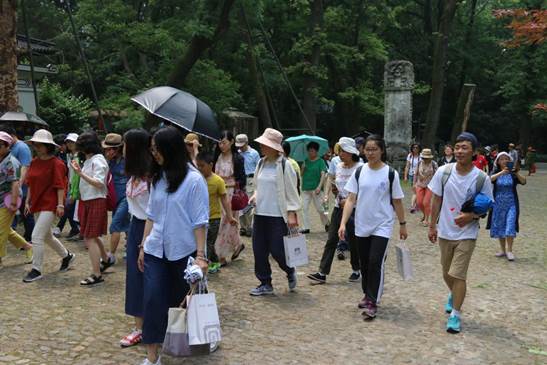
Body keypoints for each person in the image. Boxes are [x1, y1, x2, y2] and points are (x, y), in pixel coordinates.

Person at [137, 126, 209, 365]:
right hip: (155, 249)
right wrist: (142, 245)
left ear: (170, 149)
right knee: (152, 298)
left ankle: (184, 341)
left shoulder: (194, 180)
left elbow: (200, 221)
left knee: (178, 302)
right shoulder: (158, 177)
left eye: (157, 149)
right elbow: (151, 215)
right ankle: (152, 356)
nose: (154, 154)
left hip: (183, 251)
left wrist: (201, 256)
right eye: (152, 150)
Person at [428, 132, 493, 334]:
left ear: (473, 151)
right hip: (446, 231)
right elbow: (436, 199)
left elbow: (488, 206)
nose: (459, 151)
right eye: (457, 147)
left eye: (464, 147)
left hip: (467, 233)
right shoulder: (443, 172)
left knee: (458, 274)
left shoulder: (482, 178)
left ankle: (456, 314)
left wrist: (471, 217)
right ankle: (453, 294)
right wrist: (432, 225)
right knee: (447, 273)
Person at [338, 135, 407, 319]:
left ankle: (373, 301)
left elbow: (397, 201)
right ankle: (367, 294)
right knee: (364, 263)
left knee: (376, 262)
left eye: (374, 149)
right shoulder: (359, 172)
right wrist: (343, 223)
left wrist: (402, 224)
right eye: (367, 149)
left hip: (382, 225)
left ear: (382, 151)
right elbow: (351, 199)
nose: (370, 153)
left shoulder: (391, 173)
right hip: (362, 224)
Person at [248, 128, 300, 296]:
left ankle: (289, 269)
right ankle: (265, 282)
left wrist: (292, 213)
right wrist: (255, 196)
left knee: (277, 250)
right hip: (260, 213)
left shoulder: (285, 165)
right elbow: (257, 186)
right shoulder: (261, 163)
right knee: (259, 249)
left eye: (265, 144)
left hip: (278, 216)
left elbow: (292, 191)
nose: (262, 146)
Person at [308, 137, 363, 285]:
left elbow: (365, 190)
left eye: (344, 151)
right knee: (332, 238)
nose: (340, 153)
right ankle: (322, 272)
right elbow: (331, 179)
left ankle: (357, 269)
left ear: (351, 153)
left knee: (353, 240)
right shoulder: (336, 164)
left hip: (356, 209)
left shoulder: (360, 167)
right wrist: (329, 193)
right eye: (339, 150)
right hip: (339, 208)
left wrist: (353, 200)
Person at [22, 129, 75, 283]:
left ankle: (36, 269)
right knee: (47, 236)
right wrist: (27, 201)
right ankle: (67, 256)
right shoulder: (34, 162)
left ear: (48, 146)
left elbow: (60, 186)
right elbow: (30, 183)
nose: (36, 147)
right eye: (35, 144)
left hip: (51, 203)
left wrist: (60, 204)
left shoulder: (57, 164)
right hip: (37, 202)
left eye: (40, 144)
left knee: (36, 236)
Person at [120, 129, 153, 348]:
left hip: (151, 229)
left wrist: (145, 241)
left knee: (152, 279)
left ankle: (155, 324)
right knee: (134, 278)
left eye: (124, 144)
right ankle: (139, 327)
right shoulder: (133, 175)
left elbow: (154, 211)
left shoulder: (152, 177)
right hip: (136, 227)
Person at [72, 131, 110, 286]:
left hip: (96, 200)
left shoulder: (98, 160)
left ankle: (96, 273)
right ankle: (106, 259)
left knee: (89, 238)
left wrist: (80, 174)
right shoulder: (89, 160)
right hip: (88, 200)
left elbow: (100, 183)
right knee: (92, 236)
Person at [195, 151, 237, 274]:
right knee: (204, 243)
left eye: (202, 165)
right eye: (198, 165)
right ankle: (214, 260)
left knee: (208, 243)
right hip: (200, 218)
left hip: (214, 217)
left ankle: (208, 264)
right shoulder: (196, 179)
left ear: (211, 165)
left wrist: (230, 217)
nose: (199, 168)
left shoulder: (218, 181)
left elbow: (224, 199)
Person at [213, 130, 246, 266]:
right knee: (226, 224)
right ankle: (238, 244)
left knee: (225, 224)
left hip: (230, 193)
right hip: (217, 193)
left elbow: (241, 178)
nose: (221, 145)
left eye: (224, 142)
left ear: (231, 142)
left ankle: (221, 255)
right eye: (220, 143)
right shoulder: (217, 156)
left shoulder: (237, 158)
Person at [0, 132, 33, 268]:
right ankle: (27, 246)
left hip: (8, 200)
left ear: (7, 146)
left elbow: (15, 183)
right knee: (5, 229)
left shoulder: (11, 162)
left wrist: (13, 203)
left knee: (1, 230)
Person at [486, 152, 526, 261]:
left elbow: (523, 181)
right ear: (498, 162)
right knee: (500, 226)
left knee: (510, 226)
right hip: (498, 204)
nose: (504, 161)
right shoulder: (496, 172)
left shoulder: (513, 174)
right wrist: (501, 173)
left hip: (511, 204)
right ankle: (503, 250)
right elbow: (488, 179)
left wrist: (516, 173)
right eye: (502, 159)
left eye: (506, 159)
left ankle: (510, 250)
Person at [102, 133, 130, 271]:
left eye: (111, 149)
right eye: (107, 149)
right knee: (127, 224)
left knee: (115, 225)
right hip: (115, 197)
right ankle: (130, 249)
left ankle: (111, 255)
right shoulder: (108, 162)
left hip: (127, 196)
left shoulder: (127, 160)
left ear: (118, 148)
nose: (108, 151)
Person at [54, 133, 80, 239]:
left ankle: (62, 228)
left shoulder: (80, 156)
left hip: (77, 187)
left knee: (69, 207)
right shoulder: (70, 155)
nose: (69, 144)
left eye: (72, 142)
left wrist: (75, 190)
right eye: (68, 142)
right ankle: (76, 229)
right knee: (70, 208)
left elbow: (78, 175)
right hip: (70, 186)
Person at [300, 141, 329, 234]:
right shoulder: (306, 160)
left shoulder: (321, 161)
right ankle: (306, 227)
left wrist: (319, 187)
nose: (310, 152)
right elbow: (301, 174)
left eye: (312, 151)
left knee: (320, 209)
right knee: (304, 208)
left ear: (316, 151)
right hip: (305, 188)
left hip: (316, 188)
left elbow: (323, 174)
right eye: (309, 151)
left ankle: (327, 223)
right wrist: (303, 168)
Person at [236, 133, 260, 237]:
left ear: (246, 142)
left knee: (249, 203)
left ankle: (250, 226)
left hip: (250, 179)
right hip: (240, 180)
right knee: (239, 203)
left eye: (242, 144)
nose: (240, 147)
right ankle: (242, 226)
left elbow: (258, 168)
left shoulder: (254, 153)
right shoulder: (237, 153)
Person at [414, 148, 438, 227]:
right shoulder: (419, 163)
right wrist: (414, 184)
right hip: (420, 184)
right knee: (419, 202)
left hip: (430, 185)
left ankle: (427, 219)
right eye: (424, 157)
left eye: (427, 158)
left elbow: (437, 175)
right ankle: (425, 214)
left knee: (426, 202)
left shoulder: (434, 164)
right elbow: (415, 173)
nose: (425, 159)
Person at [404, 143, 421, 213]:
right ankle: (414, 205)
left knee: (417, 191)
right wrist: (405, 176)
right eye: (414, 147)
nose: (415, 149)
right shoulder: (410, 156)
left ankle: (413, 205)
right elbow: (407, 166)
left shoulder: (421, 156)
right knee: (415, 190)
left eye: (417, 147)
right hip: (411, 174)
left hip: (420, 175)